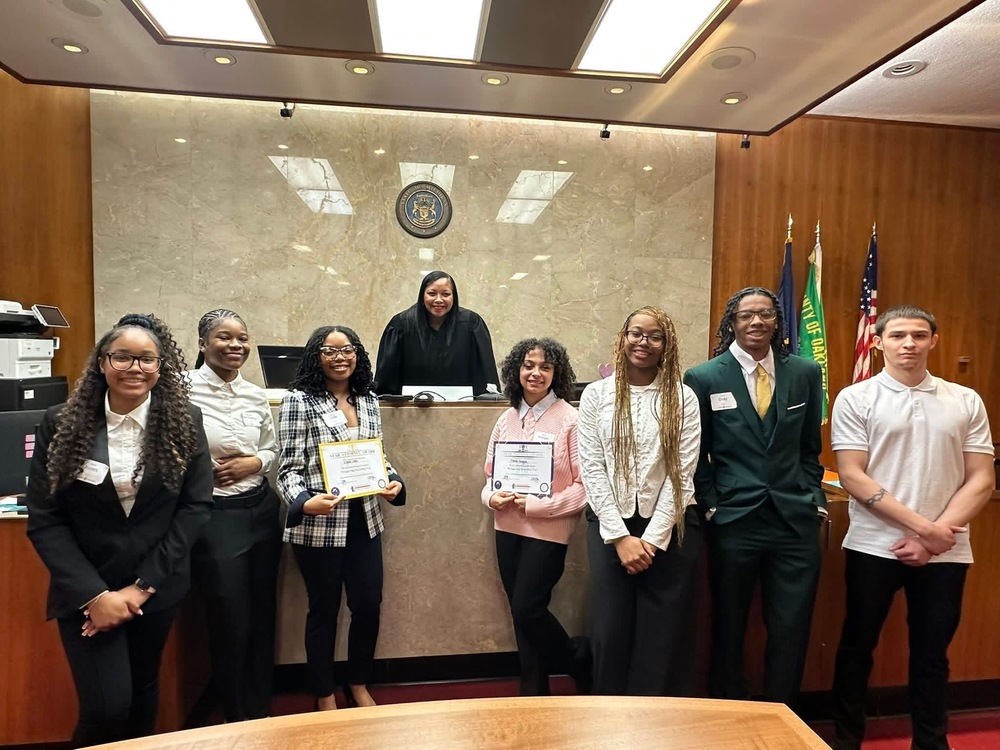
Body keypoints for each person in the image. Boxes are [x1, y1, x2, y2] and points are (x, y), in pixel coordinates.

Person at [25, 322, 213, 747]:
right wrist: (97, 596)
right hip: (87, 592)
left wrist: (142, 587)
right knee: (106, 708)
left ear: (161, 367)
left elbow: (195, 507)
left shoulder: (185, 420)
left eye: (147, 359)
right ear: (103, 363)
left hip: (156, 586)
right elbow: (45, 518)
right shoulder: (61, 422)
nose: (135, 367)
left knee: (143, 693)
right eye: (122, 356)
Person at [829, 305, 994, 750]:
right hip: (872, 545)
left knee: (932, 656)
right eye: (898, 335)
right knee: (856, 647)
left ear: (933, 341)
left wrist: (935, 536)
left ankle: (931, 743)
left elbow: (982, 477)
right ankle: (846, 740)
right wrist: (925, 528)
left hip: (947, 550)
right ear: (878, 341)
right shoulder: (856, 397)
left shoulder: (964, 400)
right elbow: (853, 476)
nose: (909, 344)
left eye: (919, 336)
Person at [683, 286, 825, 706]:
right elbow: (697, 453)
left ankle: (784, 714)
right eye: (746, 316)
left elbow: (809, 448)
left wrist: (813, 495)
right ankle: (729, 710)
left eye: (765, 314)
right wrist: (711, 503)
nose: (756, 322)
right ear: (732, 323)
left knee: (791, 626)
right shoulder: (704, 377)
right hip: (734, 519)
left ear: (778, 322)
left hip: (794, 520)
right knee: (729, 623)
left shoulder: (804, 372)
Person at [277, 325, 406, 710]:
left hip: (365, 521)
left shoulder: (367, 398)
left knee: (368, 605)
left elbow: (376, 456)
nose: (339, 357)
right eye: (329, 351)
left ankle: (358, 681)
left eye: (347, 349)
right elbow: (287, 470)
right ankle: (322, 691)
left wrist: (393, 480)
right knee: (323, 610)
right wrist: (303, 501)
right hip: (320, 526)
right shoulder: (298, 401)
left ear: (358, 354)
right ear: (315, 357)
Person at [577, 306, 702, 696]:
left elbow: (682, 474)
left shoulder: (682, 398)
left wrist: (651, 539)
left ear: (667, 345)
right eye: (636, 333)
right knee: (610, 630)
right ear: (622, 338)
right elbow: (592, 468)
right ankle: (608, 723)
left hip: (668, 530)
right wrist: (620, 537)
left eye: (654, 336)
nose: (643, 343)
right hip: (611, 530)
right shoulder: (597, 395)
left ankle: (654, 727)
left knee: (660, 636)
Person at [481, 337, 591, 696]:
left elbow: (584, 487)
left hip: (548, 530)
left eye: (545, 366)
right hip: (507, 527)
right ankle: (533, 690)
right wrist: (491, 497)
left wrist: (539, 506)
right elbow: (488, 477)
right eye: (529, 365)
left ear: (556, 373)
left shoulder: (571, 419)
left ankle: (577, 659)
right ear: (517, 370)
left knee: (529, 609)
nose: (536, 373)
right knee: (520, 612)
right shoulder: (506, 418)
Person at [186, 309, 281, 721]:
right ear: (204, 344)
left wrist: (254, 464)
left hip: (260, 509)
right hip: (214, 516)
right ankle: (234, 712)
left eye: (242, 338)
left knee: (263, 612)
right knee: (229, 617)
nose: (236, 345)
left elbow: (272, 449)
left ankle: (261, 706)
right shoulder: (180, 390)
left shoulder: (255, 393)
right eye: (224, 338)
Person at [374, 270, 499, 395]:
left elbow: (485, 374)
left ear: (453, 296)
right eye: (432, 293)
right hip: (412, 409)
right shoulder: (401, 325)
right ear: (422, 296)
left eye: (445, 294)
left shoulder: (472, 324)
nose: (439, 300)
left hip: (461, 408)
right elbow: (387, 379)